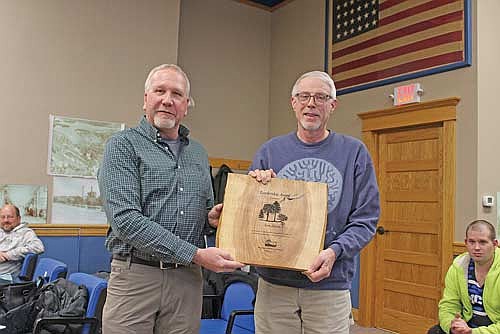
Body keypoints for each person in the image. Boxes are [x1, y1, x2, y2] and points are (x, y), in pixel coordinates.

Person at [98, 64, 243, 334]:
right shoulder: (122, 146)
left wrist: (210, 220)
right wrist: (196, 254)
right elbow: (125, 221)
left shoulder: (198, 154)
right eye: (159, 91)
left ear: (186, 105)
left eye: (176, 94)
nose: (167, 99)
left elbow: (203, 216)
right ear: (145, 100)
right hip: (136, 277)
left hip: (186, 281)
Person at [249, 70, 380, 334]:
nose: (311, 103)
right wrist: (255, 190)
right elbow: (250, 217)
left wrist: (334, 252)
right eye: (304, 96)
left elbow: (366, 220)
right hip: (274, 287)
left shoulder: (354, 153)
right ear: (293, 103)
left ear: (332, 105)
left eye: (321, 97)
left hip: (329, 285)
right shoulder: (269, 152)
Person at [428, 220, 500, 334]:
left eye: (482, 242)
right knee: (434, 331)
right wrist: (452, 326)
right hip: (467, 326)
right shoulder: (459, 266)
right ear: (466, 242)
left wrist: (473, 332)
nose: (476, 247)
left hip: (492, 329)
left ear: (495, 244)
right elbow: (448, 305)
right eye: (472, 242)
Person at [0, 204, 44, 284]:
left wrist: (8, 255)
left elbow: (38, 247)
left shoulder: (25, 233)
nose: (6, 220)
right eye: (3, 217)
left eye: (10, 217)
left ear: (18, 219)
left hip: (6, 279)